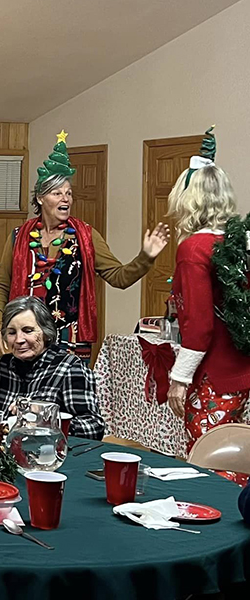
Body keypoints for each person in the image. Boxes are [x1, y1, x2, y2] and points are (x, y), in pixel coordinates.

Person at [0, 130, 170, 361]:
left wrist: (146, 257)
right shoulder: (19, 236)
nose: (65, 199)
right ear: (41, 198)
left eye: (69, 193)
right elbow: (2, 285)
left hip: (70, 340)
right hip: (26, 338)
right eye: (57, 193)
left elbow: (119, 278)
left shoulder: (86, 236)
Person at [165, 128, 250, 481]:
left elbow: (200, 326)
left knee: (210, 461)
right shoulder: (239, 243)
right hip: (242, 370)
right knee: (239, 458)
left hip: (214, 374)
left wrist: (179, 379)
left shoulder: (194, 249)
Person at [0, 296, 105, 440]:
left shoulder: (69, 369)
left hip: (46, 451)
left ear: (46, 333)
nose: (19, 340)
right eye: (12, 332)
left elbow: (94, 426)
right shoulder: (1, 367)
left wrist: (45, 419)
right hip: (0, 450)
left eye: (28, 331)